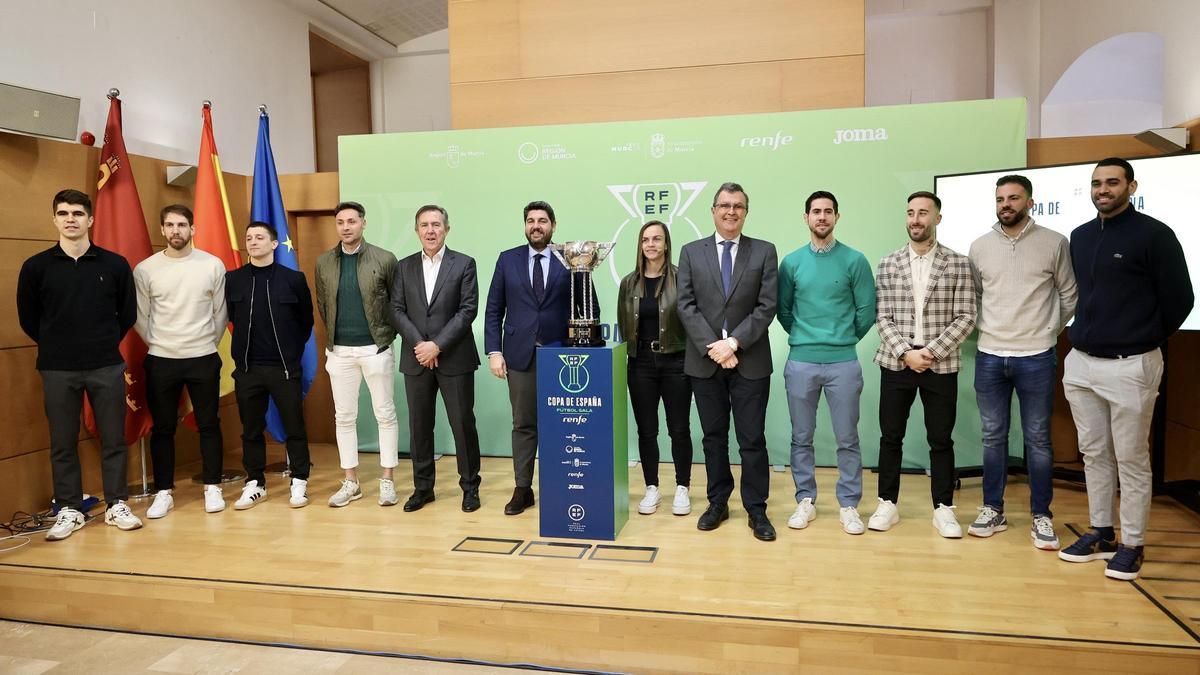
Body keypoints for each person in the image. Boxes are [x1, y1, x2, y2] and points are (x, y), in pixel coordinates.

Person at [1059, 157, 1193, 581]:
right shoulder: (1079, 236)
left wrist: (1141, 337)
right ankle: (1102, 531)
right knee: (1094, 454)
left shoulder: (1155, 235)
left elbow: (1181, 300)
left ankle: (1133, 543)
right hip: (1082, 365)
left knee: (1132, 459)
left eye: (1112, 182)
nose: (1104, 189)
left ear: (1131, 186)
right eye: (1097, 183)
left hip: (1131, 365)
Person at [17, 188, 142, 539]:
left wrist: (99, 342)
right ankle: (70, 508)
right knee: (62, 440)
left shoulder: (114, 264)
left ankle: (117, 503)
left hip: (105, 364)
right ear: (54, 219)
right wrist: (59, 344)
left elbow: (127, 313)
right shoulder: (36, 267)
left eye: (77, 213)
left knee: (114, 438)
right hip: (57, 367)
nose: (70, 219)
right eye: (63, 213)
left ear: (91, 219)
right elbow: (30, 319)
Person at [967, 175, 1077, 549]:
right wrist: (987, 327)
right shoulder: (980, 246)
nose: (1006, 204)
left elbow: (1069, 294)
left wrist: (1047, 329)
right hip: (990, 355)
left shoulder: (1054, 243)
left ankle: (1041, 516)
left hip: (1037, 356)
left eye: (1014, 198)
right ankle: (992, 509)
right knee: (993, 436)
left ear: (1030, 202)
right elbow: (975, 296)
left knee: (1038, 439)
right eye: (1000, 199)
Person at [869, 191, 976, 538]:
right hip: (897, 362)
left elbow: (966, 316)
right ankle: (887, 503)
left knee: (940, 439)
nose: (916, 219)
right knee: (891, 437)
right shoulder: (888, 263)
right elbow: (882, 316)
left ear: (937, 219)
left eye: (923, 213)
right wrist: (906, 352)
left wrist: (930, 352)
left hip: (940, 364)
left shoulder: (958, 263)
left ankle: (944, 508)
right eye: (911, 213)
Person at [676, 182, 779, 541]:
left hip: (749, 360)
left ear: (745, 212)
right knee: (713, 438)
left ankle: (756, 508)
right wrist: (713, 346)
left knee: (752, 438)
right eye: (724, 205)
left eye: (738, 206)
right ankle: (717, 501)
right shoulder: (691, 252)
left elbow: (767, 306)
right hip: (705, 363)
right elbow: (685, 305)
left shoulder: (764, 252)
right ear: (713, 211)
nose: (731, 211)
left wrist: (733, 343)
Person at [776, 191, 875, 535]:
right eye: (816, 212)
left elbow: (866, 313)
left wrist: (839, 338)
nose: (822, 217)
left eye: (828, 212)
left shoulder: (855, 260)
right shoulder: (790, 263)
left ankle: (849, 504)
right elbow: (784, 312)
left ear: (837, 216)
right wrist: (807, 337)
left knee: (847, 438)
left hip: (843, 362)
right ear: (806, 217)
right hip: (801, 360)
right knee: (801, 437)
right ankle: (806, 499)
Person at [134, 204, 230, 517]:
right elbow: (141, 317)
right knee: (162, 429)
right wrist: (163, 344)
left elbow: (220, 313)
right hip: (161, 359)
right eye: (170, 225)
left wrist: (204, 343)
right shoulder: (146, 269)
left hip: (203, 356)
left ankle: (213, 487)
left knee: (209, 424)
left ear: (193, 229)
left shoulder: (212, 265)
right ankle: (164, 492)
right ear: (162, 230)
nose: (176, 230)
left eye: (182, 225)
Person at [484, 201, 579, 515]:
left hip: (562, 358)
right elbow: (494, 309)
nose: (535, 226)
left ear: (553, 225)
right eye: (530, 221)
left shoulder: (570, 258)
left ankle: (557, 487)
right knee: (523, 424)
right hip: (519, 356)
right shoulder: (507, 260)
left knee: (559, 425)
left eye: (542, 220)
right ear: (525, 226)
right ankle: (522, 489)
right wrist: (494, 351)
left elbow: (585, 305)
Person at [390, 205, 483, 512]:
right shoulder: (403, 267)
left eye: (436, 225)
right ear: (417, 231)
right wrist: (421, 344)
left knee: (462, 424)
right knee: (419, 427)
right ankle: (422, 488)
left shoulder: (464, 264)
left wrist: (437, 346)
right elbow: (396, 310)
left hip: (454, 358)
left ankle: (470, 488)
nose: (430, 230)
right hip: (416, 358)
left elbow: (467, 310)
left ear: (447, 228)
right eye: (424, 225)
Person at [315, 201, 400, 508]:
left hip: (375, 348)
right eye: (340, 222)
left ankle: (387, 481)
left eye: (352, 221)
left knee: (385, 415)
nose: (346, 227)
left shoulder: (385, 259)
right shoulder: (324, 262)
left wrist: (385, 338)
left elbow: (395, 302)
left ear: (363, 223)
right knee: (344, 417)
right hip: (339, 352)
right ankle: (351, 482)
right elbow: (323, 304)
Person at [225, 221, 315, 509]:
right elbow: (229, 317)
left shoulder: (293, 279)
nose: (253, 242)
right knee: (250, 429)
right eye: (249, 237)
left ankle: (299, 480)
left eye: (260, 237)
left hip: (284, 369)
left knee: (294, 426)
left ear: (274, 244)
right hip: (248, 370)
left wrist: (289, 353)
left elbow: (305, 322)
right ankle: (255, 482)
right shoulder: (234, 279)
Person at [617, 220, 693, 516]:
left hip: (676, 361)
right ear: (640, 244)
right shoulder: (628, 283)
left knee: (679, 429)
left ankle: (682, 488)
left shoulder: (681, 278)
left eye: (657, 239)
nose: (651, 244)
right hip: (640, 365)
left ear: (666, 244)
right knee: (646, 430)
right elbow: (624, 326)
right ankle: (652, 488)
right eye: (646, 239)